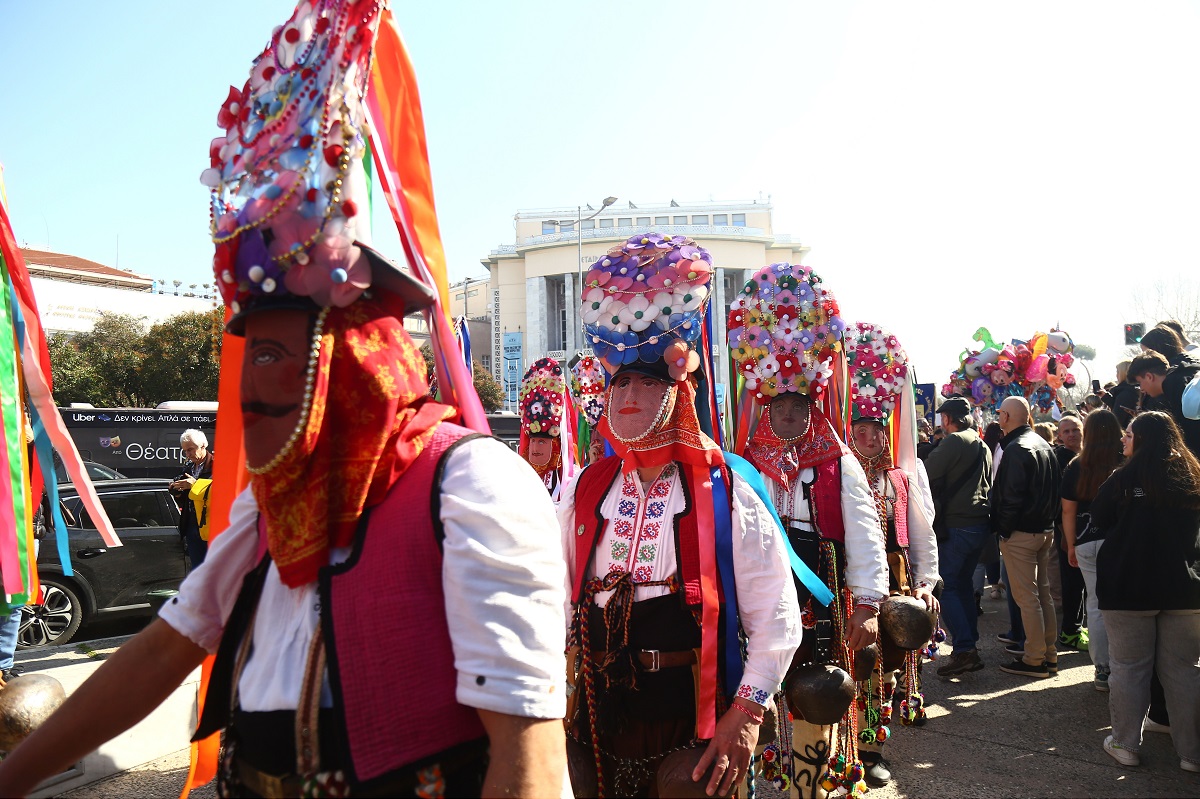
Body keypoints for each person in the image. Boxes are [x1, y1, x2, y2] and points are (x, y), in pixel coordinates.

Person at [0, 5, 570, 797]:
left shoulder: (471, 490)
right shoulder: (269, 514)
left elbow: (530, 769)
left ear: (344, 357)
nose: (245, 389)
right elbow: (162, 650)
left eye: (269, 353)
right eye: (246, 353)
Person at [562, 236, 801, 798]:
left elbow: (776, 615)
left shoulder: (724, 492)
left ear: (677, 393)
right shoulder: (584, 490)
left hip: (688, 719)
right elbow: (546, 596)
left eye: (648, 381)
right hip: (595, 718)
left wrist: (746, 715)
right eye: (621, 380)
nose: (629, 394)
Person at [728, 261, 888, 795]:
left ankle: (809, 788)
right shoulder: (741, 463)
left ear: (813, 405)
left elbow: (864, 535)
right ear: (764, 407)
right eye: (780, 407)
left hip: (816, 591)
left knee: (814, 688)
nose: (790, 416)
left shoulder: (836, 461)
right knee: (750, 685)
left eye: (800, 406)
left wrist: (866, 605)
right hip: (755, 590)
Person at [845, 321, 940, 789]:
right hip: (852, 587)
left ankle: (871, 748)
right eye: (859, 430)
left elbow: (922, 536)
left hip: (898, 585)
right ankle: (843, 747)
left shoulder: (903, 478)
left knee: (887, 670)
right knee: (852, 669)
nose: (869, 438)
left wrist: (925, 583)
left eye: (876, 429)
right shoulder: (834, 480)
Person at [1092, 412, 1200, 773]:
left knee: (1129, 668)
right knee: (1184, 670)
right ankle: (1192, 753)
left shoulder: (1122, 479)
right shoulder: (1191, 476)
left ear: (1143, 439)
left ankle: (1124, 744)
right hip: (1183, 588)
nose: (1123, 440)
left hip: (1128, 586)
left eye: (1129, 434)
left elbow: (1101, 518)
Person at [992, 396, 1062, 679]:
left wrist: (1005, 531)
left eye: (1000, 414)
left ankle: (1036, 659)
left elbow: (1010, 498)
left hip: (1022, 532)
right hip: (1043, 529)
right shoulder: (1042, 444)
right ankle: (1048, 654)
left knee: (1029, 598)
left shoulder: (1018, 448)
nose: (998, 418)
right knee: (1040, 595)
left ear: (1006, 417)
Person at [923, 396, 993, 677]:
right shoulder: (981, 442)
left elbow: (925, 472)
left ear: (947, 419)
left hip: (958, 524)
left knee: (948, 586)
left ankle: (964, 650)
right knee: (962, 585)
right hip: (978, 524)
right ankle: (969, 647)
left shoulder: (955, 441)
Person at [1061, 408, 1122, 691]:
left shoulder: (1076, 464)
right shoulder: (1125, 461)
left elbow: (1068, 511)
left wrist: (1072, 544)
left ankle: (1103, 670)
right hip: (1120, 541)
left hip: (1086, 540)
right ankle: (1124, 666)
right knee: (1124, 605)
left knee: (1095, 605)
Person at [1053, 415, 1087, 651]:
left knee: (1084, 582)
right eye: (1066, 431)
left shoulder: (1090, 456)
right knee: (1072, 581)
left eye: (1075, 429)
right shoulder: (1060, 460)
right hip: (1068, 528)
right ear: (1059, 436)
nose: (1072, 434)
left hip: (1089, 526)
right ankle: (1070, 631)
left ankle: (1079, 625)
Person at [1128, 351, 1200, 458]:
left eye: (1140, 382)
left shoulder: (1174, 387)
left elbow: (1191, 435)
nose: (1142, 389)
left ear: (1149, 377)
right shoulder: (1184, 375)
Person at [518, 356, 571, 498]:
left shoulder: (568, 481)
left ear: (554, 445)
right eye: (533, 442)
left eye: (541, 442)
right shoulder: (519, 479)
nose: (534, 448)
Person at [169, 429, 214, 568]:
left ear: (203, 446)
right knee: (198, 572)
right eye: (185, 451)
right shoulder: (188, 467)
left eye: (190, 449)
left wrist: (195, 484)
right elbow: (184, 495)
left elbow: (222, 491)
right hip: (191, 525)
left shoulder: (218, 465)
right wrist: (176, 490)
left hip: (210, 526)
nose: (188, 454)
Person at [1104, 361, 1140, 429]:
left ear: (1123, 373)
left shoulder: (1125, 393)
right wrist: (1106, 398)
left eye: (1118, 372)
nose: (1116, 375)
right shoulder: (1137, 390)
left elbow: (1117, 419)